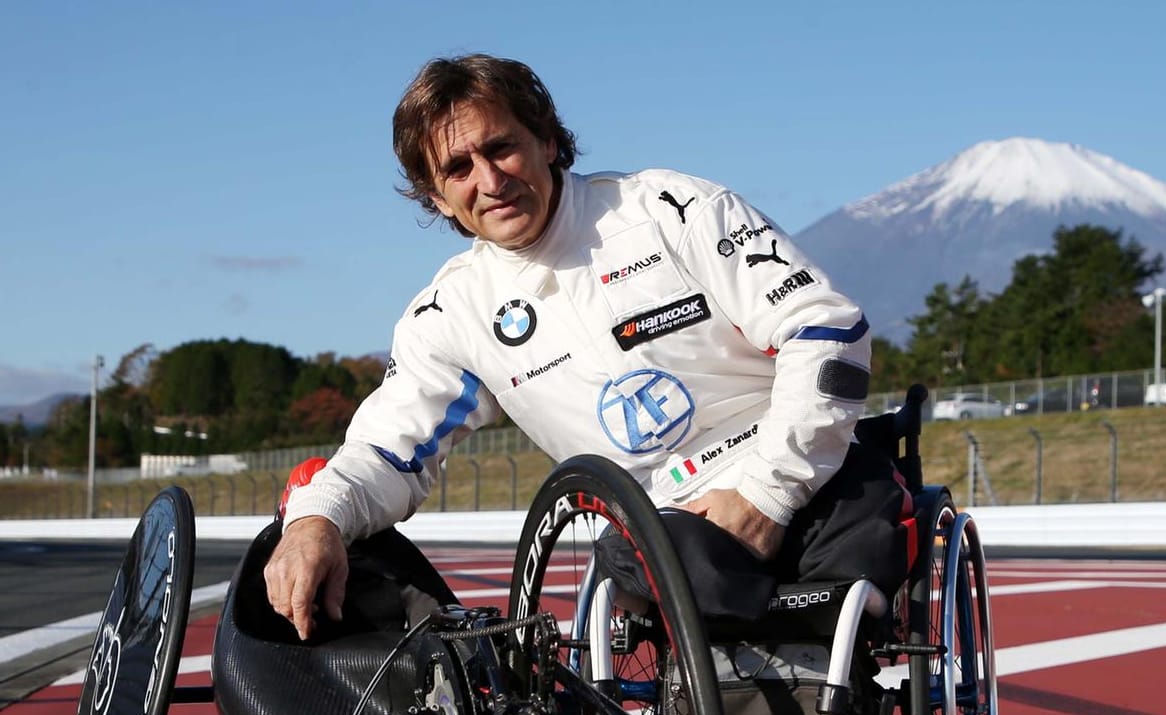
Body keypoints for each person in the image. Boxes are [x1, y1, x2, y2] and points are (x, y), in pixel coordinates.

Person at [266, 53, 905, 640]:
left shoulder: (666, 209)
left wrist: (767, 495)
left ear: (547, 140)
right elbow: (384, 453)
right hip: (668, 535)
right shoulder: (449, 314)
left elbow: (826, 331)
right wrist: (314, 521)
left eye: (502, 148)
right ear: (437, 198)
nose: (489, 180)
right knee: (652, 556)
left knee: (868, 496)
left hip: (804, 479)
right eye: (459, 169)